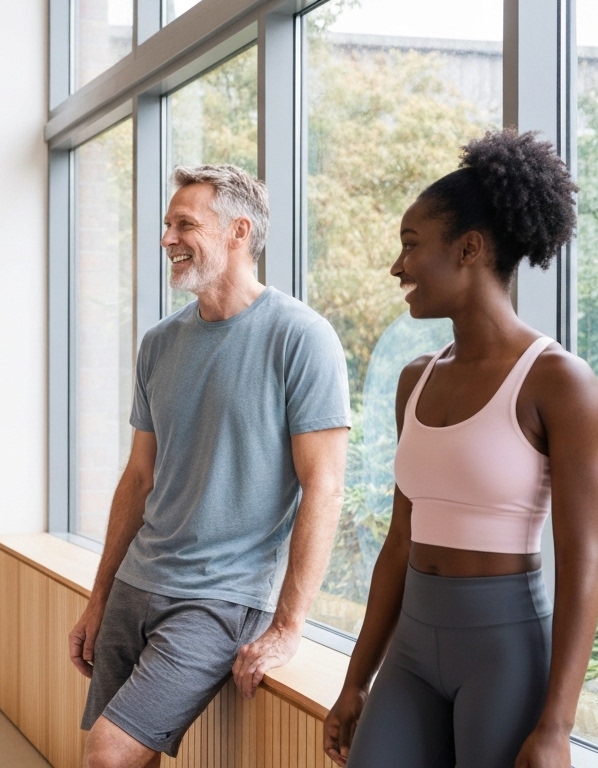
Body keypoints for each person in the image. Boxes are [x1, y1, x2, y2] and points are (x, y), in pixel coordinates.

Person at [321, 130, 598, 768]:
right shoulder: (414, 380)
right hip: (413, 651)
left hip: (502, 651)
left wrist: (557, 727)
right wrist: (353, 682)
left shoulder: (560, 383)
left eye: (410, 246)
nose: (397, 267)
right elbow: (399, 543)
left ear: (470, 249)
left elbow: (583, 565)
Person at [69, 164, 352, 768]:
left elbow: (323, 489)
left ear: (238, 231)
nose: (167, 238)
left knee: (107, 756)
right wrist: (99, 597)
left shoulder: (302, 337)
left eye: (184, 225)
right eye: (167, 225)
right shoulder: (160, 343)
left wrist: (288, 625)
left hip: (219, 599)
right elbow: (139, 478)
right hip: (136, 583)